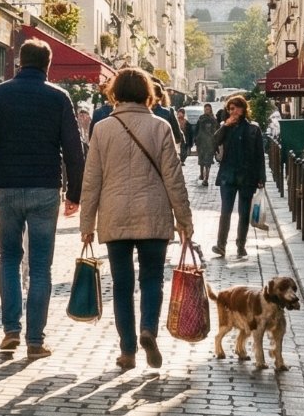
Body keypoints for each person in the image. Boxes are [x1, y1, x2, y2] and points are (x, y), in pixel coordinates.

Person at [0, 38, 85, 357]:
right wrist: (73, 193)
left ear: (19, 62)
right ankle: (35, 339)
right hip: (44, 188)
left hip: (8, 187)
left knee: (9, 257)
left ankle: (11, 329)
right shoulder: (58, 98)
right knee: (40, 265)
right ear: (47, 65)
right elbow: (74, 152)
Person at [79, 70, 195, 371]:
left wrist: (86, 225)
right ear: (148, 93)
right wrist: (184, 220)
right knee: (153, 278)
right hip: (153, 213)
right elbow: (174, 178)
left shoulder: (102, 129)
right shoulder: (161, 127)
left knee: (121, 284)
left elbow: (91, 180)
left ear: (114, 93)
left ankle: (127, 350)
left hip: (114, 215)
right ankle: (148, 330)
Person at [211, 95, 265, 258]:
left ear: (243, 109)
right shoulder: (225, 127)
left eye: (235, 108)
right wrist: (225, 126)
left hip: (247, 176)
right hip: (228, 175)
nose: (232, 111)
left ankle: (241, 245)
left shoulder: (253, 129)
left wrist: (261, 177)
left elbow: (259, 155)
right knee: (225, 212)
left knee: (244, 212)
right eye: (230, 109)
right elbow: (214, 142)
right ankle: (221, 245)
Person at [192, 104, 220, 187]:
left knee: (208, 162)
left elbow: (217, 132)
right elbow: (197, 130)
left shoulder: (213, 120)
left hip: (210, 144)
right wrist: (196, 140)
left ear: (210, 110)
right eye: (205, 109)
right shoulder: (201, 118)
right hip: (201, 143)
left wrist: (216, 143)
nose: (206, 110)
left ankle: (206, 179)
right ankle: (201, 174)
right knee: (201, 160)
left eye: (208, 109)